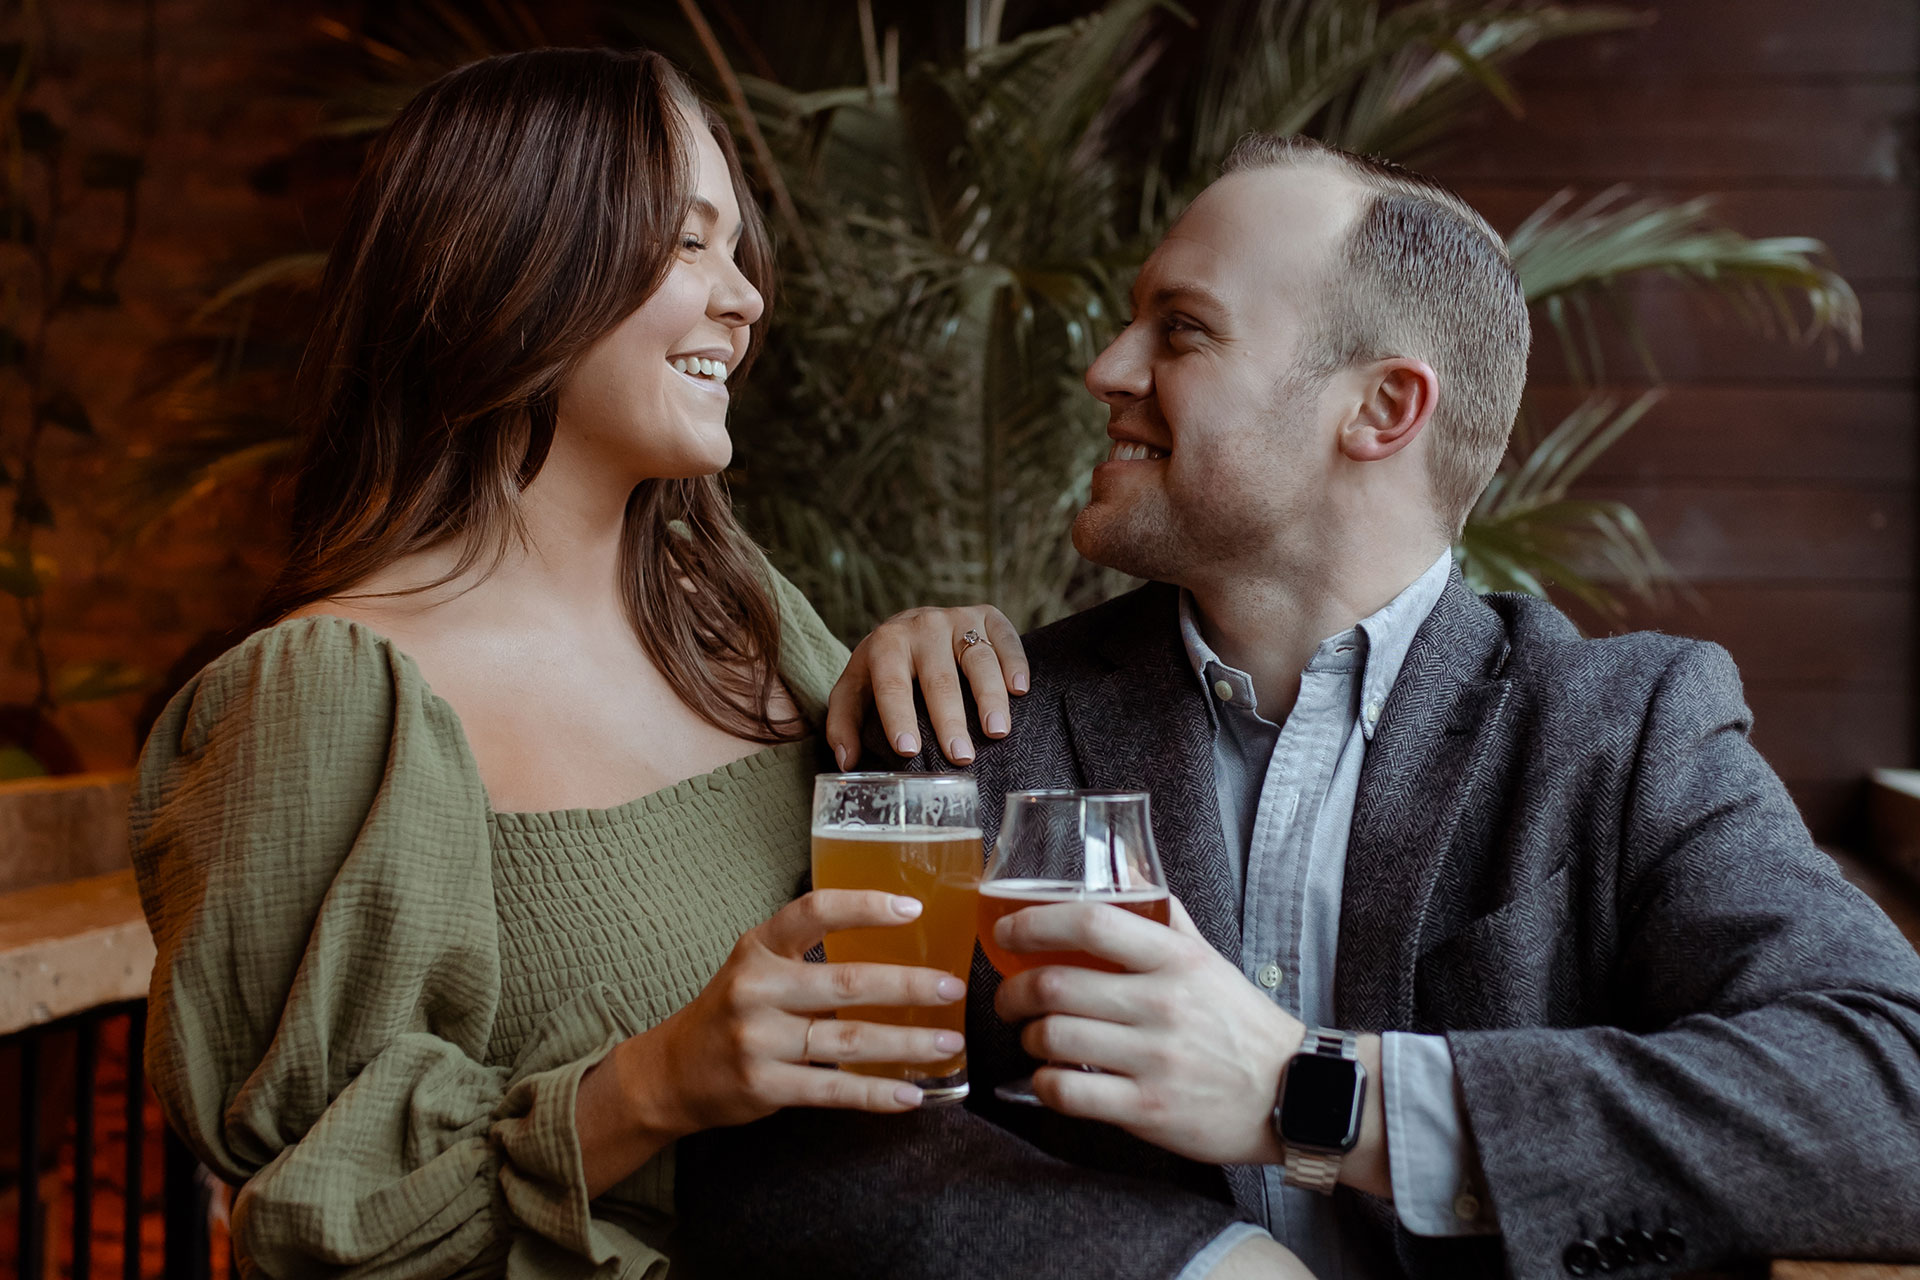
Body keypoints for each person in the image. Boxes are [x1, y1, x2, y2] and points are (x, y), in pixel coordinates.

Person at [129, 49, 1299, 1279]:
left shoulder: (743, 619)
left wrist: (927, 676)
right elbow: (313, 1217)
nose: (744, 299)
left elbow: (920, 995)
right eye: (690, 244)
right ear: (511, 262)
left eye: (740, 251)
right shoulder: (330, 694)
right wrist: (654, 1082)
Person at [692, 134, 1920, 1278]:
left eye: (1180, 330)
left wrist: (1313, 1088)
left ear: (1382, 409)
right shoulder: (979, 713)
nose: (1106, 367)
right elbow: (800, 1147)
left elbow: (1891, 1099)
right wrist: (1195, 1265)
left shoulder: (1627, 725)